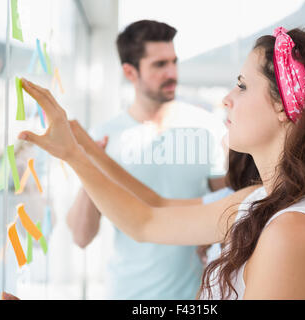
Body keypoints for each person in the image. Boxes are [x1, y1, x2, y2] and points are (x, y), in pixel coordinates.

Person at [18, 27, 305, 300]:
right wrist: (80, 151)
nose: (227, 99)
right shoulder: (261, 200)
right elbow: (149, 217)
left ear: (284, 105)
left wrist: (74, 154)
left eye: (243, 86)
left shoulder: (293, 231)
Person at [65, 20, 227, 300]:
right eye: (159, 64)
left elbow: (229, 209)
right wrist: (91, 166)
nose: (172, 73)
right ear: (130, 72)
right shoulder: (104, 137)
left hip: (197, 296)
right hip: (129, 294)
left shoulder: (207, 129)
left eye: (174, 62)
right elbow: (81, 236)